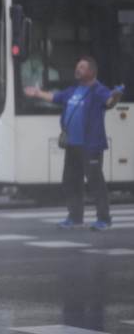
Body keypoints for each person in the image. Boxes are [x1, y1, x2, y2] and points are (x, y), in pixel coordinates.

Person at [23, 56, 123, 231]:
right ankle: (75, 217)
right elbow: (56, 97)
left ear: (91, 71)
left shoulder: (98, 90)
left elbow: (108, 102)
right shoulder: (74, 89)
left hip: (90, 145)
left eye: (82, 68)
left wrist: (115, 98)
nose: (77, 70)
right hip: (72, 145)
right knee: (71, 181)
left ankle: (104, 219)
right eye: (77, 67)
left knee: (95, 182)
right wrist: (38, 93)